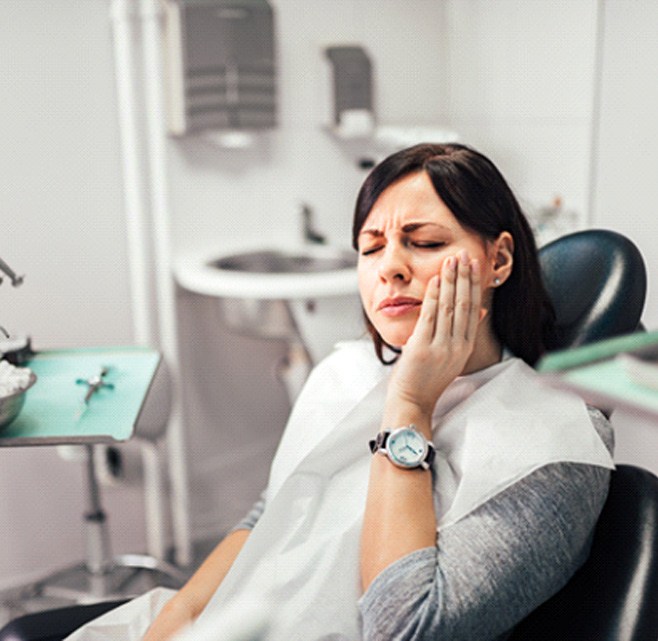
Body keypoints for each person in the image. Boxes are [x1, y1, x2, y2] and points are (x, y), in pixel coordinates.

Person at [137, 142, 614, 641]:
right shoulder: (344, 372)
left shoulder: (557, 446)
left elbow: (406, 629)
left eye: (425, 243)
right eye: (370, 248)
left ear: (498, 259)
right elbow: (274, 512)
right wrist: (175, 619)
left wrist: (411, 404)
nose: (390, 267)